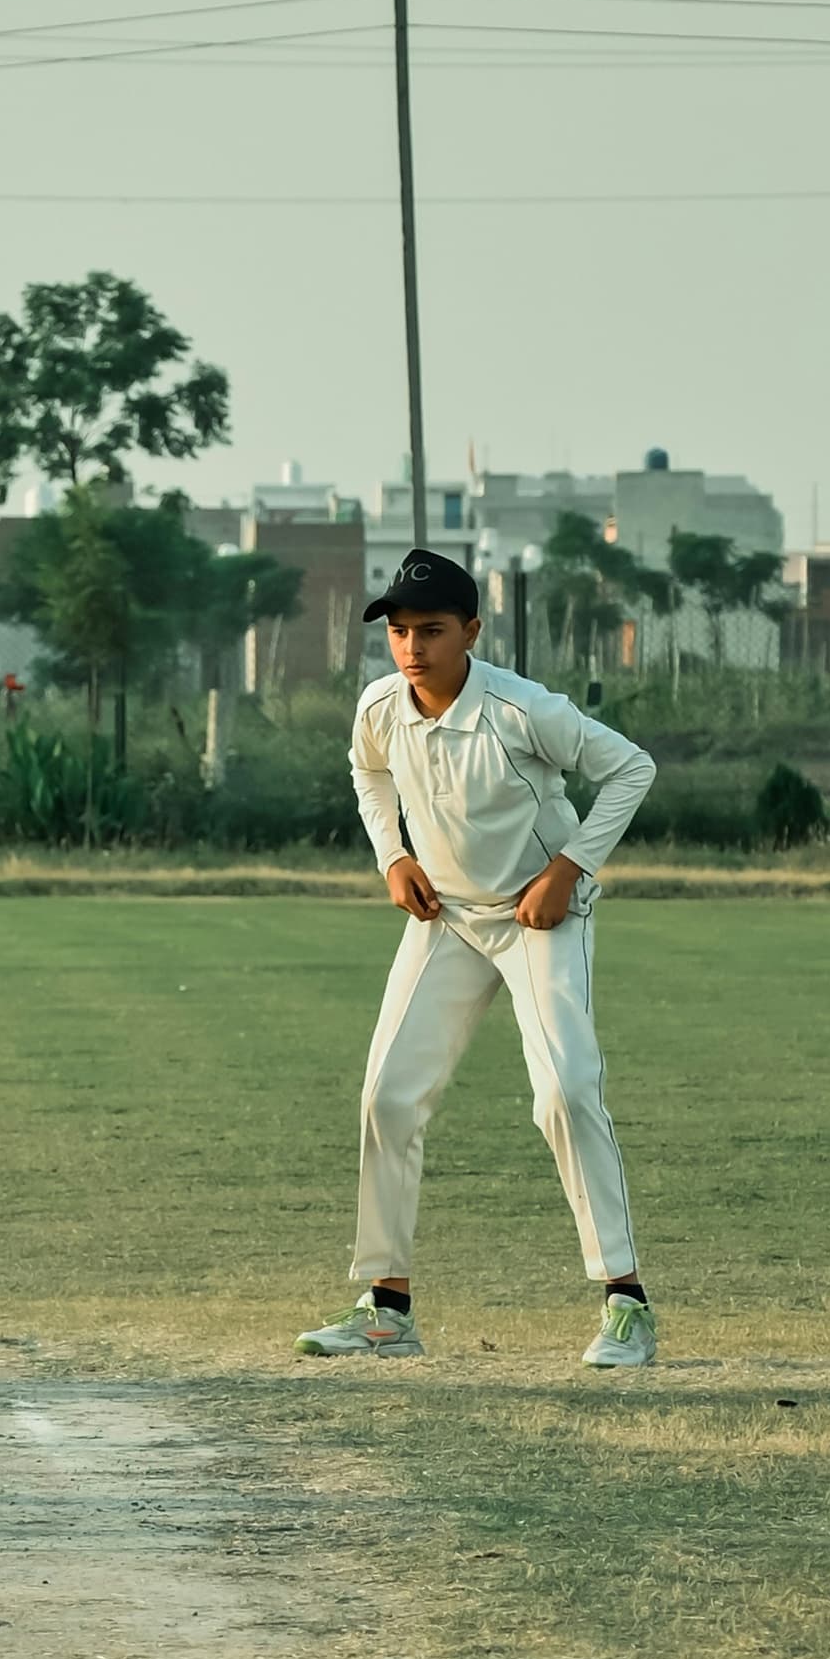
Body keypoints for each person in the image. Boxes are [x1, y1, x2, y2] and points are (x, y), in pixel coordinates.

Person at [300, 547, 665, 1369]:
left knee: (564, 1092)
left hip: (540, 917)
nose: (412, 648)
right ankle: (386, 1309)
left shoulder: (523, 709)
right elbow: (369, 776)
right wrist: (394, 859)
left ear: (471, 629)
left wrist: (568, 869)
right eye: (398, 632)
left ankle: (626, 1303)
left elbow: (630, 769)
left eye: (431, 630)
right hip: (448, 919)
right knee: (388, 1095)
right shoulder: (381, 707)